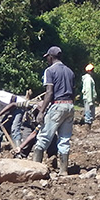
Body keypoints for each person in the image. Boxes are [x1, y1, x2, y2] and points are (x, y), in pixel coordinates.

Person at [32, 46, 75, 175]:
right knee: (64, 139)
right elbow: (74, 92)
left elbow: (49, 92)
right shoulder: (70, 72)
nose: (47, 60)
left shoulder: (49, 71)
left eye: (47, 58)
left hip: (58, 105)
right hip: (70, 105)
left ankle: (35, 169)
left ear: (51, 57)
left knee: (44, 137)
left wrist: (42, 112)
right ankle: (63, 170)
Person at [80, 63, 96, 128]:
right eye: (92, 70)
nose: (93, 72)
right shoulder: (88, 79)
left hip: (88, 98)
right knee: (88, 113)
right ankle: (87, 127)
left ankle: (88, 126)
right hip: (88, 98)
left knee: (88, 112)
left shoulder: (88, 78)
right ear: (89, 71)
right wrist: (90, 101)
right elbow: (88, 90)